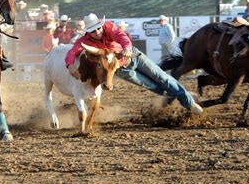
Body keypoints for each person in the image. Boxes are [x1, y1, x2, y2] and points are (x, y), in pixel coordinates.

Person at [65, 13, 203, 115]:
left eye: (98, 28)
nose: (97, 32)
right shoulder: (85, 41)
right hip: (121, 69)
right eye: (93, 30)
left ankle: (189, 102)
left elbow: (121, 36)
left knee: (161, 77)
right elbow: (72, 52)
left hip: (135, 56)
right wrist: (70, 65)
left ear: (101, 25)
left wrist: (126, 48)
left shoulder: (109, 27)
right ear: (88, 32)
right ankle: (180, 93)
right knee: (154, 87)